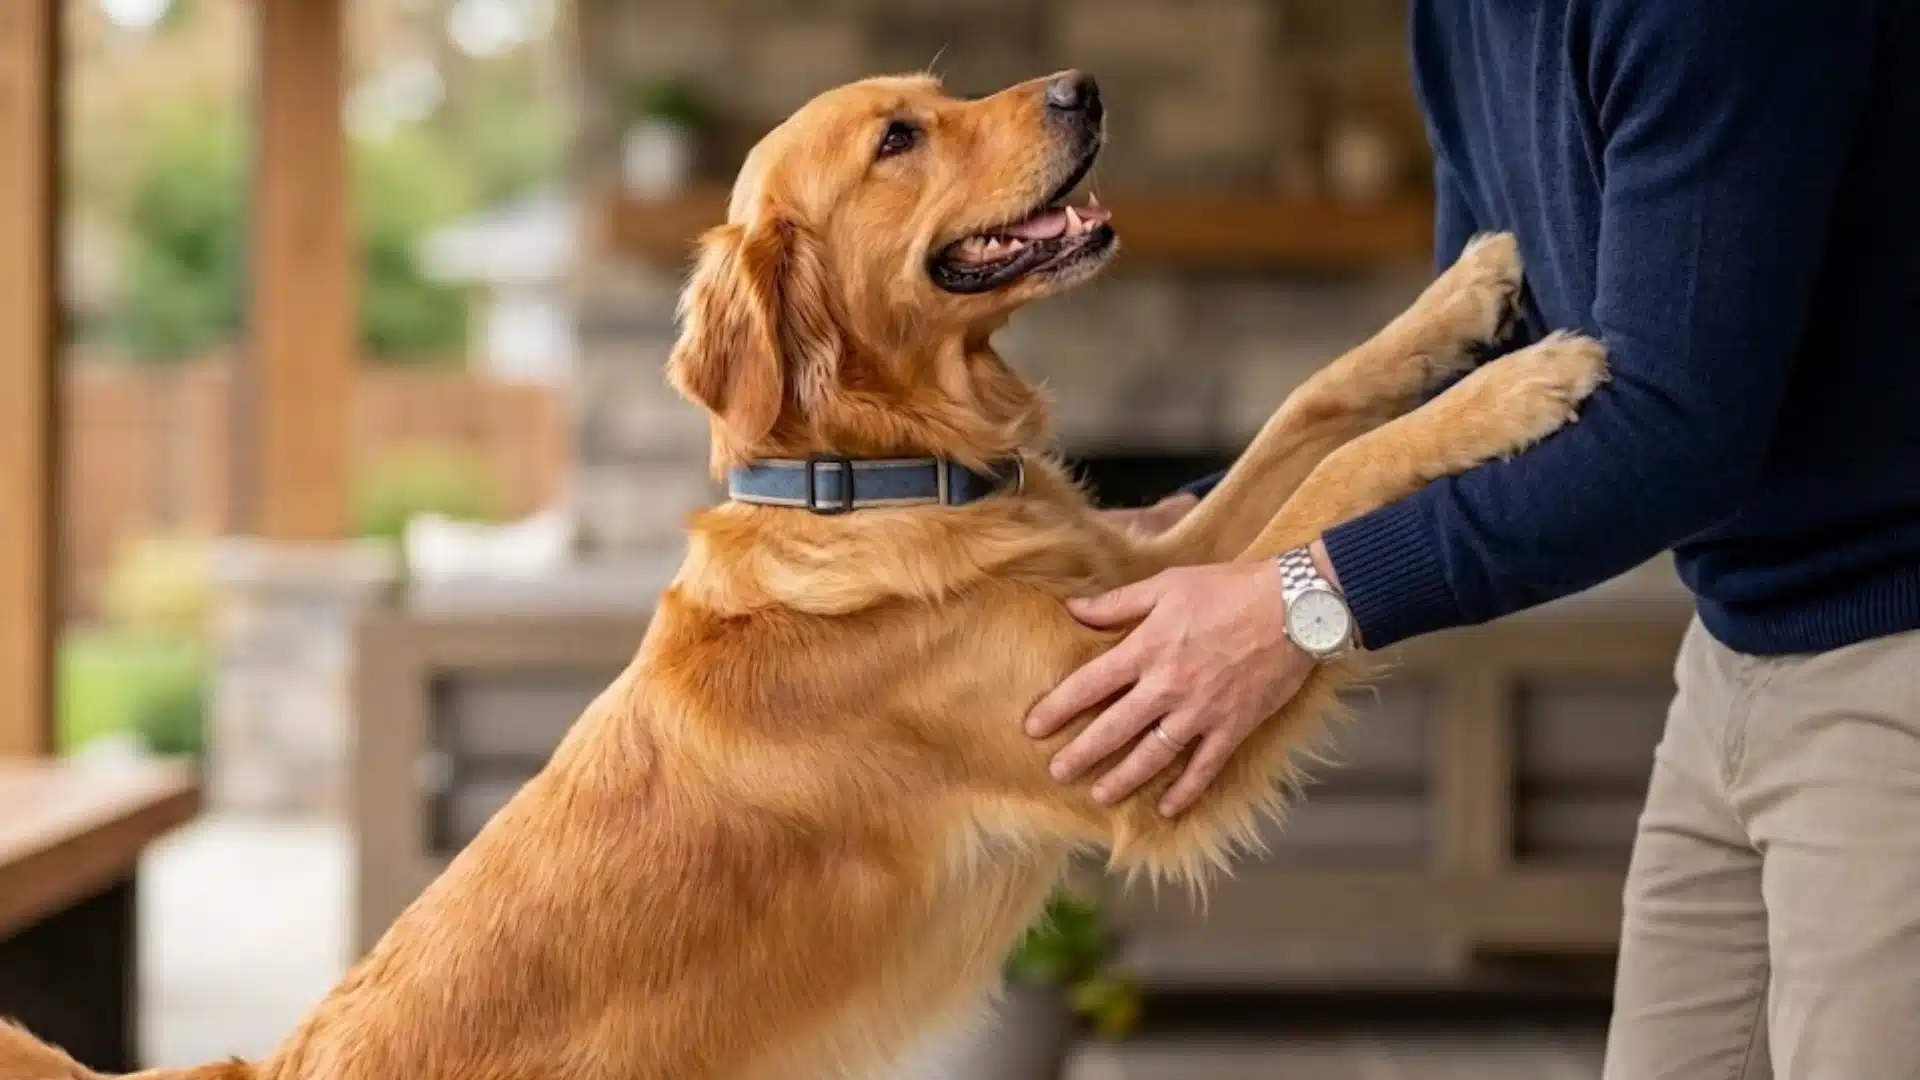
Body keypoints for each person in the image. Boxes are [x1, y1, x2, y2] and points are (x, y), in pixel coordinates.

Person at [1024, 1, 1920, 1077]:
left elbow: (1674, 434)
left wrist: (1299, 600)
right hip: (1738, 649)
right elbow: (1487, 353)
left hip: (1890, 654)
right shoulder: (1458, 17)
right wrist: (1220, 518)